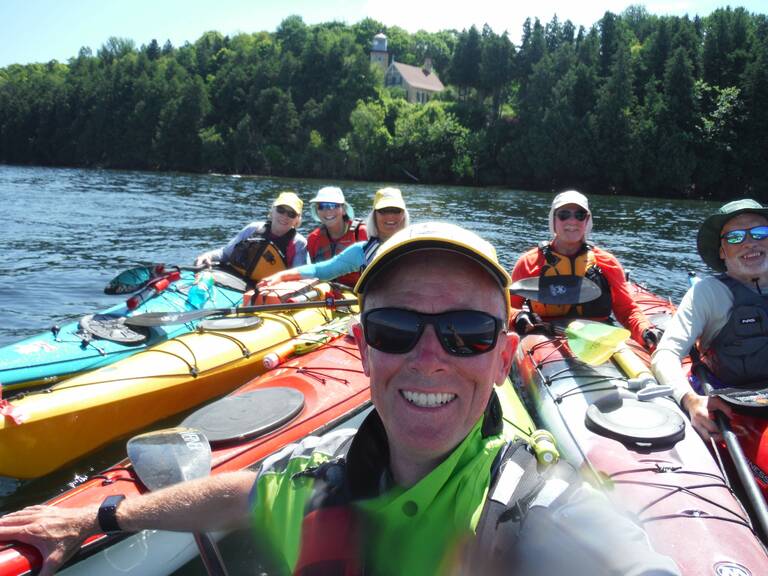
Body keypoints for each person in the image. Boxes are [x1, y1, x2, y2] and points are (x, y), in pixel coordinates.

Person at [0, 222, 679, 576]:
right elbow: (238, 493)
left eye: (468, 334)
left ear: (505, 356)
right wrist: (102, 513)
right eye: (395, 330)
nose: (429, 358)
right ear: (362, 348)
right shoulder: (317, 482)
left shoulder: (547, 516)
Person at [652, 199, 768, 441]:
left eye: (760, 232)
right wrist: (690, 400)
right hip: (730, 404)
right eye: (735, 237)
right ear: (723, 252)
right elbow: (667, 353)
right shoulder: (707, 293)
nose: (749, 243)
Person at [511, 190, 661, 348]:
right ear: (553, 220)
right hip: (544, 339)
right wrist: (517, 316)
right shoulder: (529, 263)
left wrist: (645, 330)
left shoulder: (607, 263)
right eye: (564, 214)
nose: (572, 221)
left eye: (580, 215)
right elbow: (507, 309)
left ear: (587, 220)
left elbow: (627, 310)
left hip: (597, 339)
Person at [257, 187, 408, 289]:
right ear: (374, 215)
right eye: (383, 211)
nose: (390, 216)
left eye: (396, 210)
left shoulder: (419, 242)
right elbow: (320, 270)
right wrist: (281, 276)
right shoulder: (362, 251)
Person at [193, 191, 309, 282]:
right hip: (236, 279)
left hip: (267, 290)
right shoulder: (253, 228)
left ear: (297, 220)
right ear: (272, 211)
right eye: (281, 210)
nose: (285, 216)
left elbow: (296, 277)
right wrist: (208, 255)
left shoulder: (299, 243)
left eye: (291, 214)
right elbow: (225, 253)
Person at [306, 186, 368, 287]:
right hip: (325, 294)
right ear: (317, 211)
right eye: (321, 206)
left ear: (343, 210)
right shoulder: (313, 239)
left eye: (333, 205)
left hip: (358, 296)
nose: (328, 211)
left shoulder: (361, 233)